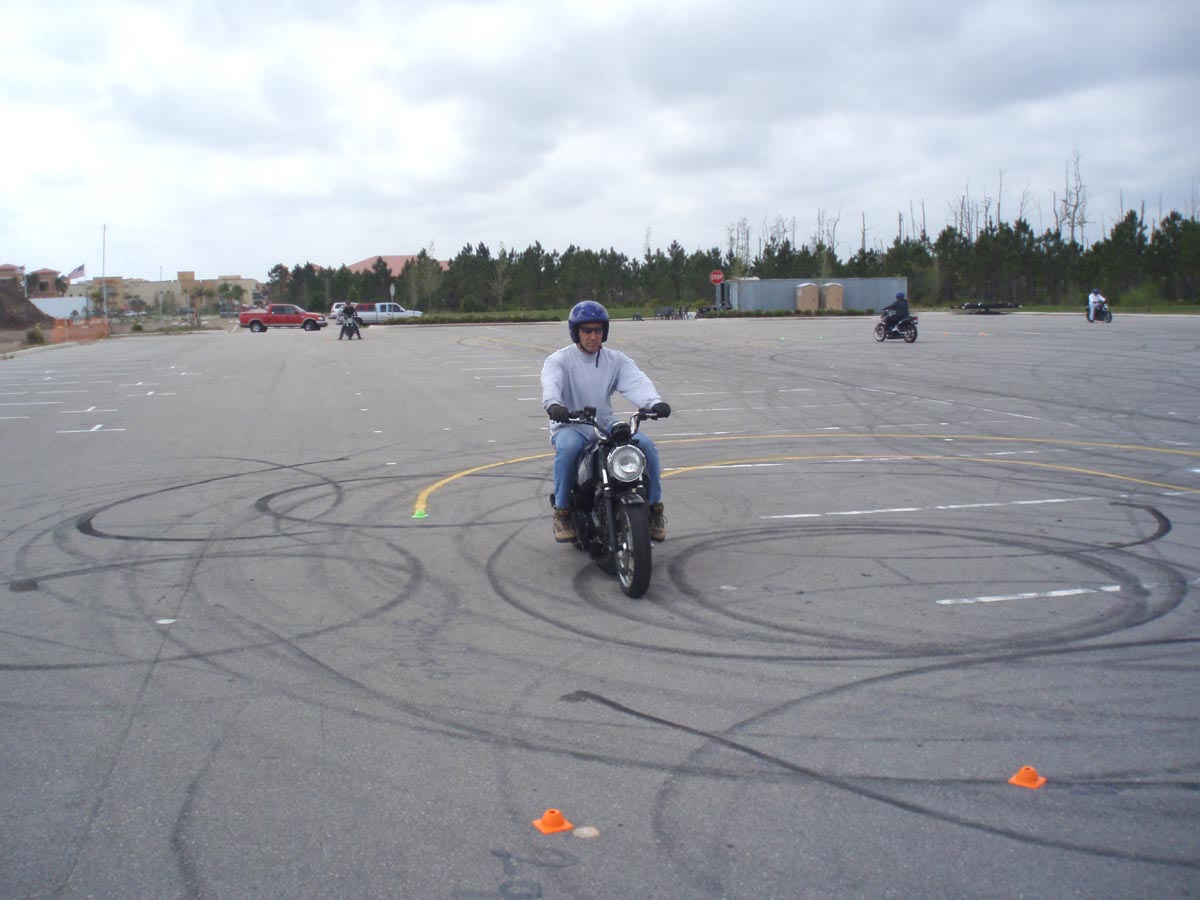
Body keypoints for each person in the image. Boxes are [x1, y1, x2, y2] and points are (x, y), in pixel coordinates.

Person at [542, 300, 671, 543]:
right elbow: (551, 384)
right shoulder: (559, 360)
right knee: (568, 448)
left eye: (598, 330)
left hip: (604, 423)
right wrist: (554, 405)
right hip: (571, 424)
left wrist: (654, 402)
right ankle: (562, 512)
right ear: (576, 332)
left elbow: (636, 381)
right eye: (587, 330)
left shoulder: (616, 360)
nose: (593, 336)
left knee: (645, 446)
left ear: (605, 331)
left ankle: (655, 509)